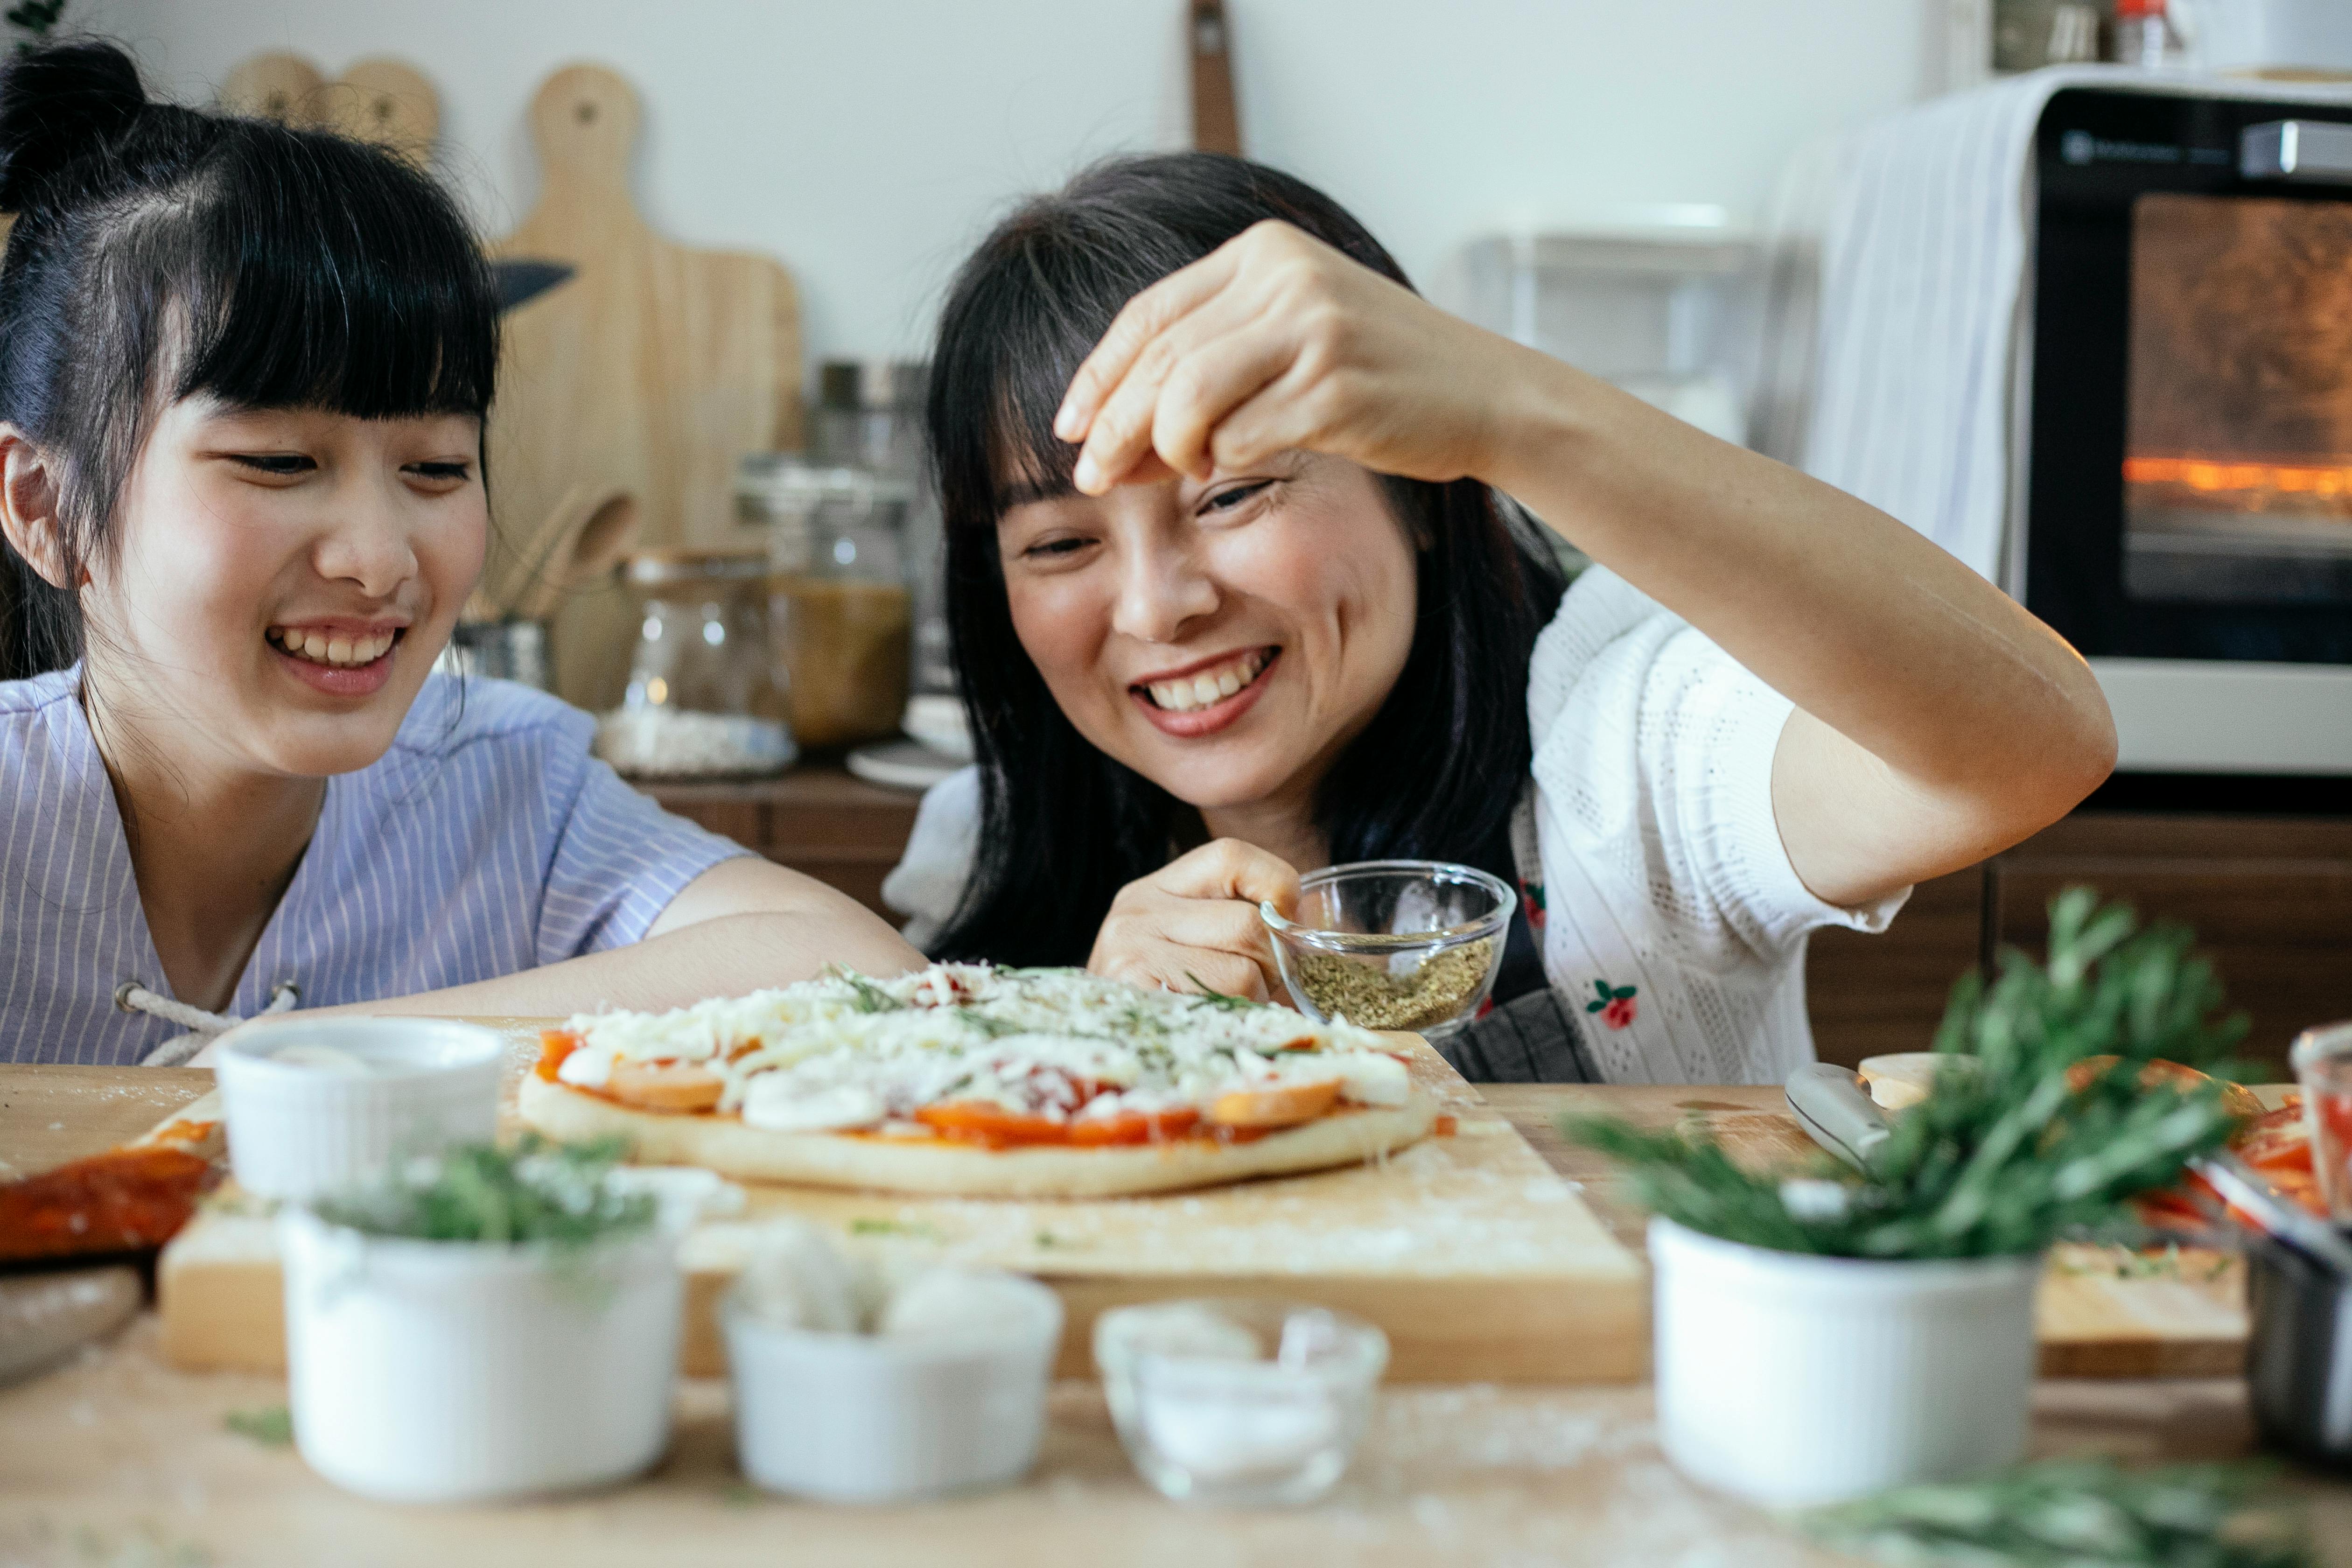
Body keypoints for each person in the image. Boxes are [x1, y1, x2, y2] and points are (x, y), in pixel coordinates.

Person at [882, 154, 2117, 1085]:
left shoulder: (1617, 757)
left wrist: (1513, 410)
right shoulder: (983, 854)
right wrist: (1082, 1053)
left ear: (1419, 485)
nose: (1159, 606)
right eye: (1060, 543)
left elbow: (2034, 744)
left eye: (1236, 492)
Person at [0, 42, 918, 1067]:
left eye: (437, 468)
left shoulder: (508, 787)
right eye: (278, 460)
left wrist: (311, 1049)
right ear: (41, 502)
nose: (379, 559)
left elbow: (858, 974)